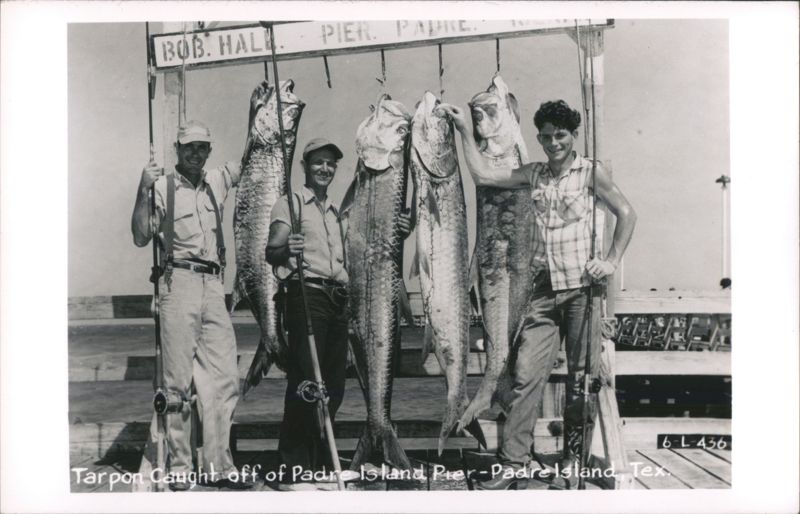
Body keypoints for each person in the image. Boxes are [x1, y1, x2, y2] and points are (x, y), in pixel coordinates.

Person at [439, 100, 637, 489]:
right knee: (526, 376)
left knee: (582, 379)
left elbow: (627, 214)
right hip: (543, 292)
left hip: (584, 289)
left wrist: (611, 261)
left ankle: (573, 462)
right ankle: (512, 464)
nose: (552, 143)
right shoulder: (534, 174)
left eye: (559, 135)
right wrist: (464, 131)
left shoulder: (591, 172)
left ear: (573, 135)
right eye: (545, 136)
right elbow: (482, 175)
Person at [266, 138, 412, 490]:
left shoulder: (340, 211)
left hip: (340, 301)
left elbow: (367, 246)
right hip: (307, 296)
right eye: (318, 162)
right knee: (306, 381)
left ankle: (316, 463)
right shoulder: (291, 203)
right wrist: (289, 247)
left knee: (332, 386)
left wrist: (401, 228)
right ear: (305, 166)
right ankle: (293, 469)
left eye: (330, 163)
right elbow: (271, 251)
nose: (325, 169)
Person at [131, 120, 252, 491]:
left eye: (202, 147)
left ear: (209, 151)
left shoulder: (217, 181)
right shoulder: (164, 187)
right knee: (178, 384)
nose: (196, 153)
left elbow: (254, 157)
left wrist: (254, 111)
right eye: (189, 147)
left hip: (214, 285)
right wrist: (142, 188)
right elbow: (139, 236)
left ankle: (218, 464)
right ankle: (180, 466)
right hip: (177, 281)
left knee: (226, 380)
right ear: (177, 149)